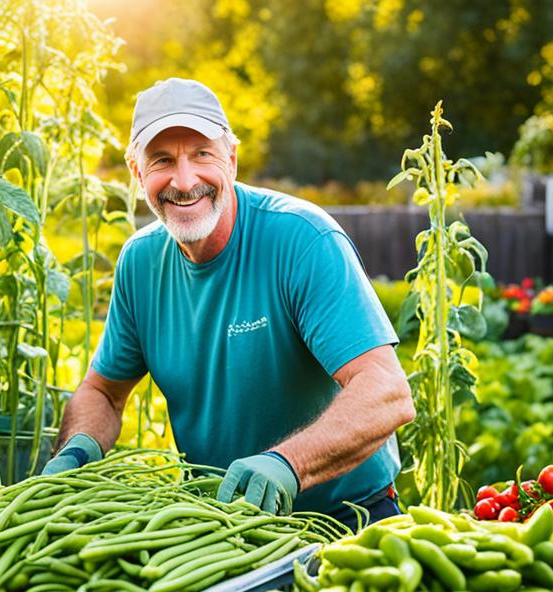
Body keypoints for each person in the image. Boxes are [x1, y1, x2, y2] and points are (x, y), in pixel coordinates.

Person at [41, 77, 415, 529]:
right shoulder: (140, 262)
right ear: (138, 175)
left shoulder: (301, 239)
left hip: (346, 521)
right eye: (162, 160)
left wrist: (287, 465)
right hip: (225, 529)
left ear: (232, 160)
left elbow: (387, 392)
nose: (184, 181)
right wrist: (76, 450)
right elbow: (103, 392)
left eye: (202, 154)